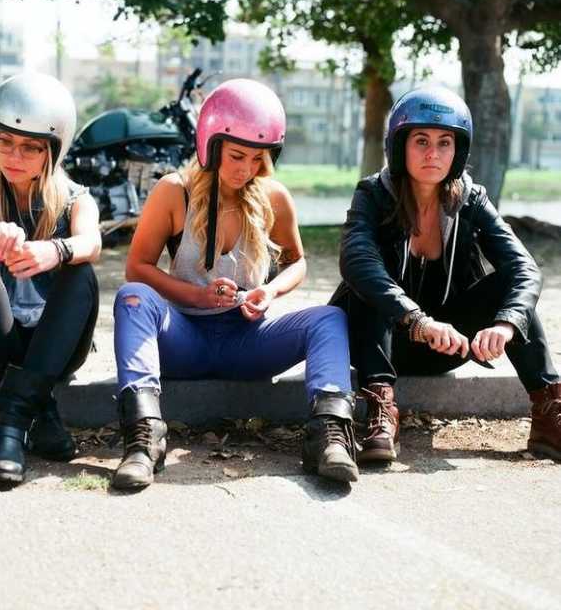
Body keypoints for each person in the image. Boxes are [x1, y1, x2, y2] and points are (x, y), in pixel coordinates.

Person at [112, 78, 356, 489]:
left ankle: (329, 437)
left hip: (247, 340)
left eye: (258, 158)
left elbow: (297, 262)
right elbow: (137, 267)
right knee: (132, 298)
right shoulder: (174, 192)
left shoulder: (274, 197)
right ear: (211, 144)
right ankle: (143, 439)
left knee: (329, 318)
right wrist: (196, 295)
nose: (246, 169)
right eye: (237, 155)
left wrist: (270, 291)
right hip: (183, 339)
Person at [331, 85, 560, 464]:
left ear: (458, 151)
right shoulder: (373, 194)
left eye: (444, 143)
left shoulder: (472, 199)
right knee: (368, 277)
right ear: (399, 145)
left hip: (447, 347)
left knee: (513, 285)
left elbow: (524, 268)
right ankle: (380, 410)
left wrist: (506, 324)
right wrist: (417, 320)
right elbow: (356, 259)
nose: (433, 154)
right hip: (377, 344)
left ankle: (549, 413)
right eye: (421, 141)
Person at [0, 73, 101, 483]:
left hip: (57, 347)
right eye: (5, 141)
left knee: (81, 271)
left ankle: (10, 424)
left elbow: (92, 242)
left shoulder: (76, 199)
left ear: (53, 149)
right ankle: (40, 407)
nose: (14, 156)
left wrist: (57, 250)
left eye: (31, 147)